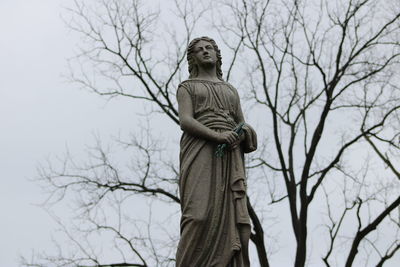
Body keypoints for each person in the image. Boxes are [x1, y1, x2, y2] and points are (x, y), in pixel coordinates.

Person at [176, 36, 257, 267]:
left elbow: (242, 123)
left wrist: (241, 133)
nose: (205, 51)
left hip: (229, 154)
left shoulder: (230, 90)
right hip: (200, 150)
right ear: (193, 59)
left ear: (216, 54)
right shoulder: (187, 87)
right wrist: (217, 136)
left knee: (232, 216)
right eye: (200, 50)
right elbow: (186, 121)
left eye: (209, 48)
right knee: (197, 215)